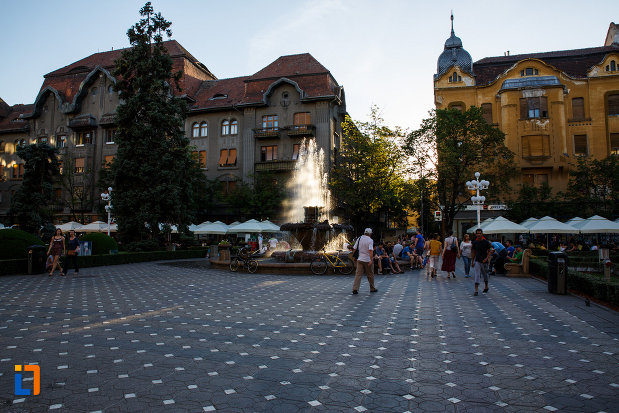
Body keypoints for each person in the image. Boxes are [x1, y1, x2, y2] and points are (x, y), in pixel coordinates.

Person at [352, 228, 378, 294]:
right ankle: (372, 288)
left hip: (360, 259)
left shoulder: (359, 238)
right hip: (367, 260)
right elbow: (370, 251)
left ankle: (355, 288)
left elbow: (354, 248)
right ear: (370, 234)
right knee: (370, 274)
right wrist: (371, 260)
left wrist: (353, 257)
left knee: (358, 274)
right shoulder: (370, 240)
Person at [471, 228, 493, 296]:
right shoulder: (475, 242)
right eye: (477, 233)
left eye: (480, 233)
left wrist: (487, 258)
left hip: (484, 261)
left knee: (485, 274)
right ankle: (476, 290)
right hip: (477, 260)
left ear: (482, 234)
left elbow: (489, 251)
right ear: (476, 234)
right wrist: (472, 261)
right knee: (477, 275)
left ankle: (486, 286)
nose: (479, 235)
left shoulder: (486, 242)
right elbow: (474, 252)